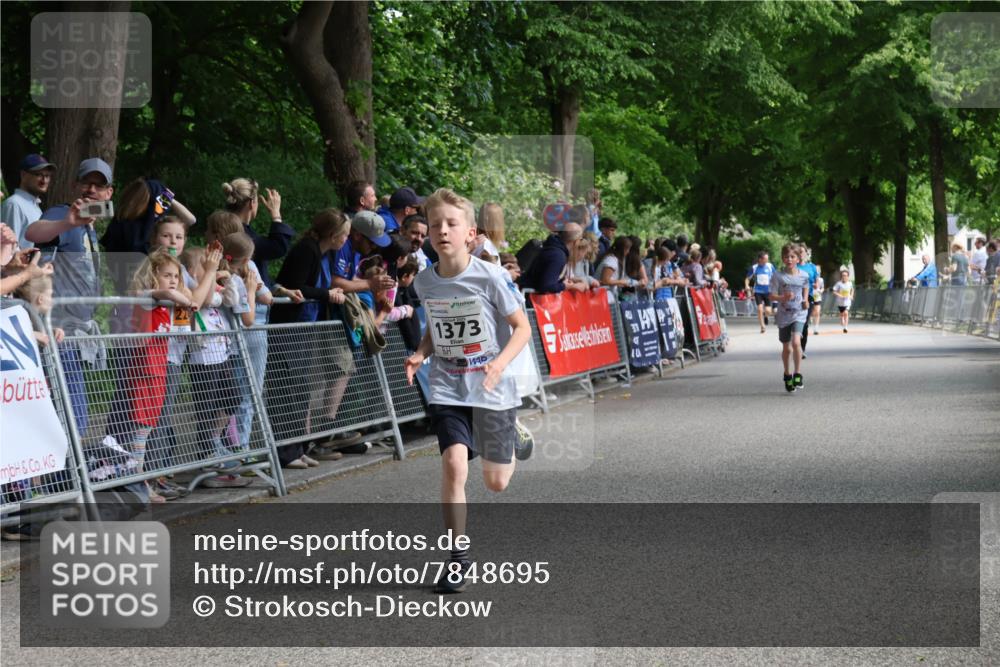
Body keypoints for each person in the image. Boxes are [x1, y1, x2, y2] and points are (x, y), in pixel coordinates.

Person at [403, 187, 533, 594]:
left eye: (451, 224)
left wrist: (499, 363)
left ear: (470, 232)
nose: (442, 230)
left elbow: (522, 328)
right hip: (448, 386)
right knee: (454, 466)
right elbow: (435, 327)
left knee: (496, 483)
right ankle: (458, 559)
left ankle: (512, 433)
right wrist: (420, 353)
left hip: (492, 386)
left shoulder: (490, 276)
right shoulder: (425, 282)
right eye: (435, 225)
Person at [25, 157, 115, 434]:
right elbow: (32, 231)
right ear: (76, 185)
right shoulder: (63, 213)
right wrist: (66, 223)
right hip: (57, 330)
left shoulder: (89, 225)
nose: (91, 190)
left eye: (99, 185)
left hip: (73, 331)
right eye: (86, 182)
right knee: (73, 419)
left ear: (109, 193)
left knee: (70, 417)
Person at [270, 209, 356, 468]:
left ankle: (298, 447)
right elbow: (297, 286)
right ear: (333, 234)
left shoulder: (323, 253)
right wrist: (327, 294)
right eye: (344, 235)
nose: (346, 240)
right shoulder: (306, 250)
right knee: (289, 389)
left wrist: (326, 292)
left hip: (306, 326)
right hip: (289, 327)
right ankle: (286, 452)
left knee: (302, 390)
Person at [126, 249, 198, 502]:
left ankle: (140, 483)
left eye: (176, 276)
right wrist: (181, 297)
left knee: (146, 430)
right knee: (140, 430)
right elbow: (163, 293)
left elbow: (183, 330)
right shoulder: (148, 297)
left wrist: (183, 305)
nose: (173, 281)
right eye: (167, 275)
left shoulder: (168, 303)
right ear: (153, 275)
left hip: (159, 371)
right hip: (145, 371)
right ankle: (139, 485)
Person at [178, 246, 250, 488]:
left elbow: (231, 300)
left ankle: (214, 440)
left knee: (232, 398)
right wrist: (210, 275)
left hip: (222, 354)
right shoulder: (191, 290)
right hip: (203, 359)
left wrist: (227, 279)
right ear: (191, 271)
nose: (212, 268)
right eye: (205, 265)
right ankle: (207, 458)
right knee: (206, 409)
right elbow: (208, 299)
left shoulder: (211, 286)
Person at [222, 178, 293, 288]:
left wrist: (278, 289)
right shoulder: (243, 235)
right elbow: (278, 247)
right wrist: (276, 214)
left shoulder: (223, 226)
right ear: (251, 203)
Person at [770, 243, 809, 392]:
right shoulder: (778, 276)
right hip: (784, 315)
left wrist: (805, 299)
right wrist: (782, 298)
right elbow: (771, 295)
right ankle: (787, 374)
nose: (789, 259)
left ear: (798, 258)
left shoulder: (804, 275)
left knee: (796, 342)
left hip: (799, 313)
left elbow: (806, 286)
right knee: (787, 348)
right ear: (782, 258)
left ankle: (797, 373)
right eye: (786, 257)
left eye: (792, 257)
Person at [2, 154, 56, 248]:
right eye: (38, 174)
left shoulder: (34, 206)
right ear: (23, 175)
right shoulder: (14, 204)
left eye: (47, 176)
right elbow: (9, 247)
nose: (44, 180)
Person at [519, 222, 583, 294]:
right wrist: (564, 286)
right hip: (528, 297)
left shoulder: (553, 248)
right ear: (576, 241)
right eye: (581, 239)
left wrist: (565, 282)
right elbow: (545, 286)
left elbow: (545, 277)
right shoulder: (557, 256)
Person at [796, 244, 819, 358]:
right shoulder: (793, 266)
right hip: (795, 297)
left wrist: (815, 285)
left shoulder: (812, 267)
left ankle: (802, 349)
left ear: (806, 253)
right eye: (798, 252)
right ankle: (795, 344)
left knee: (804, 323)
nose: (800, 254)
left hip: (808, 297)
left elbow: (817, 281)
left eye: (802, 251)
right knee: (795, 322)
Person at [745, 251, 776, 334]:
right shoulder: (754, 267)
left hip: (768, 291)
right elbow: (747, 278)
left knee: (768, 311)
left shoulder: (770, 266)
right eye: (765, 259)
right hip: (758, 291)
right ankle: (762, 326)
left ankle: (766, 316)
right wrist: (747, 285)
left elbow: (775, 276)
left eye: (767, 259)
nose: (767, 260)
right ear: (760, 259)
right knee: (759, 309)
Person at [597, 236, 633, 300]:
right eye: (627, 249)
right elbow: (605, 280)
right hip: (601, 295)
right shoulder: (611, 260)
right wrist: (621, 282)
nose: (628, 252)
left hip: (608, 295)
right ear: (622, 249)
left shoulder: (615, 259)